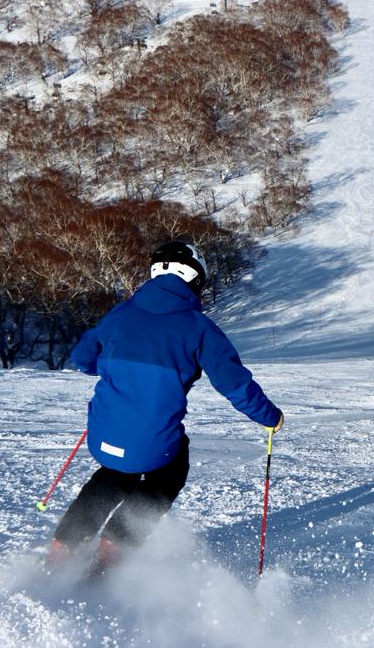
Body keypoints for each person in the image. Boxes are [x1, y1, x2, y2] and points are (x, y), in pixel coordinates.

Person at [47, 241, 283, 572]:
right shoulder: (199, 328)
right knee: (169, 469)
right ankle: (115, 548)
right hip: (152, 444)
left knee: (115, 474)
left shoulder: (121, 313)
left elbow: (84, 359)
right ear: (196, 279)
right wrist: (270, 417)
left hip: (103, 435)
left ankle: (64, 544)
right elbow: (233, 384)